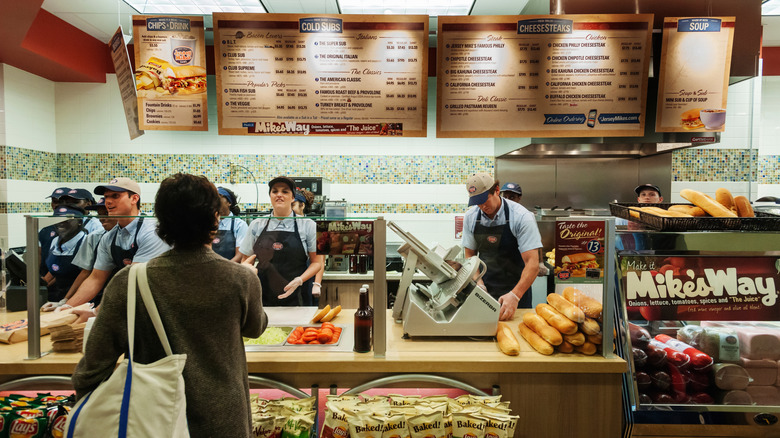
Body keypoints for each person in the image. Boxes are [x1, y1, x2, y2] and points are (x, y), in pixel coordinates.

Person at [72, 173, 266, 437]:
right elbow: (255, 328)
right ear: (215, 218)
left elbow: (92, 368)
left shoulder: (129, 281)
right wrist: (253, 283)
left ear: (161, 221)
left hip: (150, 421)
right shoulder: (241, 278)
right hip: (222, 420)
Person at [59, 177, 170, 309]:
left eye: (115, 196)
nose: (108, 202)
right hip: (130, 302)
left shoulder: (151, 232)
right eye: (106, 197)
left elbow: (134, 281)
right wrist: (67, 306)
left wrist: (98, 311)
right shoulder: (109, 237)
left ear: (134, 199)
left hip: (158, 305)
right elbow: (95, 279)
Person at [462, 173, 542, 321]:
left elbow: (533, 264)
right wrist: (478, 283)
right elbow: (470, 256)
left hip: (517, 293)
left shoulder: (522, 216)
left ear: (497, 190)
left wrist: (515, 295)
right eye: (477, 202)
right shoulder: (471, 217)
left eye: (484, 200)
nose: (482, 206)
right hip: (485, 291)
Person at [240, 176, 323, 306]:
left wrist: (300, 280)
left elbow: (317, 262)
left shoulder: (308, 225)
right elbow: (245, 260)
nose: (279, 195)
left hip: (298, 293)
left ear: (293, 197)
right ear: (270, 196)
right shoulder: (257, 224)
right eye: (275, 191)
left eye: (285, 191)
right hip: (262, 293)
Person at [42, 198, 117, 312]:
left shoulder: (140, 235)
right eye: (99, 214)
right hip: (88, 298)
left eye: (106, 213)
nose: (102, 218)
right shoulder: (94, 237)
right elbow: (86, 273)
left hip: (112, 298)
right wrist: (65, 302)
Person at [42, 205, 88, 305]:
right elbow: (56, 270)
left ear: (79, 222)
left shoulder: (86, 241)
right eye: (57, 219)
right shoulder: (55, 241)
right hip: (56, 297)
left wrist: (66, 301)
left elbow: (85, 274)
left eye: (66, 219)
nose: (60, 223)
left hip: (79, 299)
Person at [292, 190, 324, 305]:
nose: (290, 209)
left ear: (302, 205)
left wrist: (317, 284)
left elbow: (320, 260)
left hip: (308, 280)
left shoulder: (311, 225)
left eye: (293, 205)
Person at [212, 187, 249, 262]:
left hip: (231, 270)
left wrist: (226, 268)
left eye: (218, 197)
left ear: (229, 202)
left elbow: (240, 255)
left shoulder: (239, 225)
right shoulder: (208, 223)